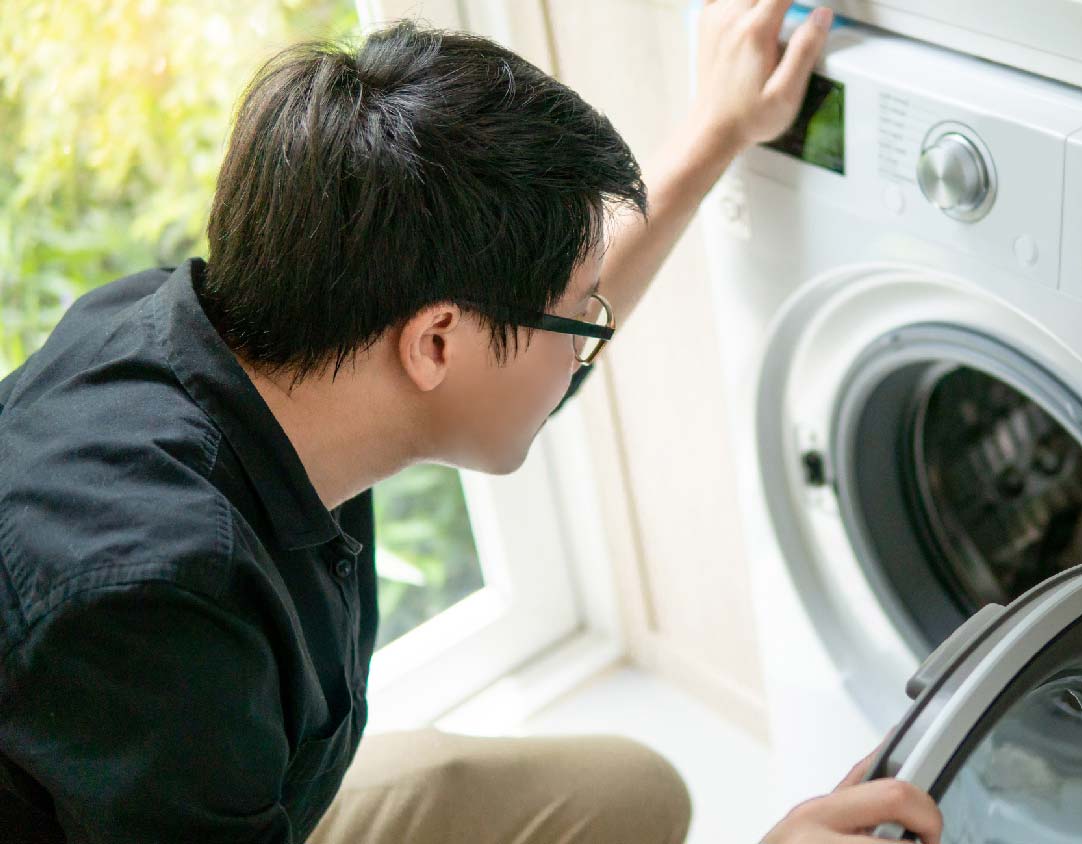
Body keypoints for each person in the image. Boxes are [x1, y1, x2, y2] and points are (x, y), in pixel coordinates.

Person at [0, 1, 944, 843]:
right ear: (436, 346)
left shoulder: (235, 333)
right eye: (578, 321)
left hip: (236, 779)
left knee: (631, 794)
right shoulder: (157, 608)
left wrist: (720, 127)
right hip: (185, 782)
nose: (585, 348)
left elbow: (524, 320)